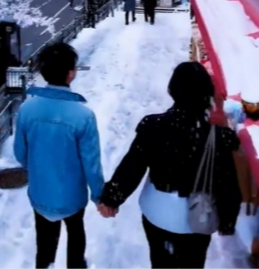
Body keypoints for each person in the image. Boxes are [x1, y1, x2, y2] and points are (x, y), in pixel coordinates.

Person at [97, 62, 242, 269]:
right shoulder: (218, 137)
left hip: (158, 212)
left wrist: (111, 198)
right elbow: (228, 184)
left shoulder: (153, 126)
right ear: (207, 95)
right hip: (197, 218)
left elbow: (132, 168)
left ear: (172, 90)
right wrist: (227, 221)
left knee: (160, 261)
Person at [14, 43, 104, 269]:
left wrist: (37, 166)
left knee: (44, 242)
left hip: (40, 192)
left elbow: (20, 154)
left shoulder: (27, 109)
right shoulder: (83, 116)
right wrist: (99, 196)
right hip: (72, 196)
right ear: (71, 73)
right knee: (76, 233)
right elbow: (91, 165)